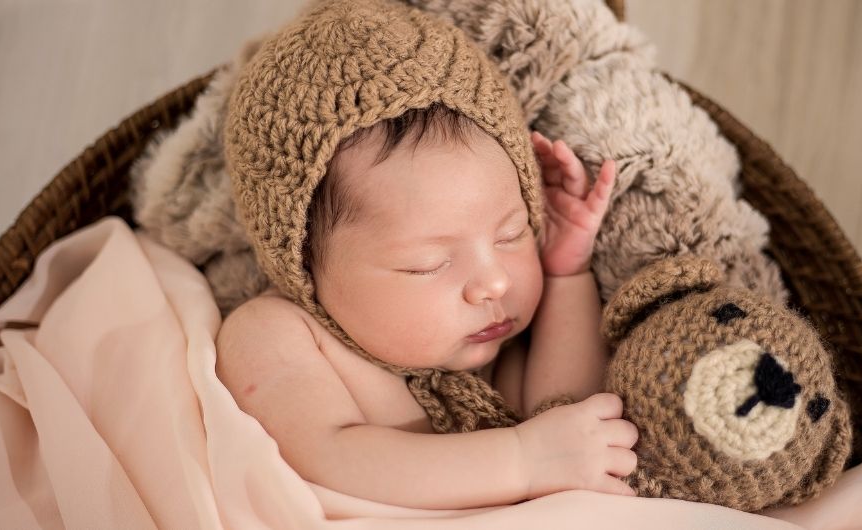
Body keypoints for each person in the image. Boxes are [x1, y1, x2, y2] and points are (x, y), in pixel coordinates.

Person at [216, 0, 638, 510]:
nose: (493, 282)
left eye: (511, 233)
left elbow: (571, 415)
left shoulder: (486, 346)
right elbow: (328, 456)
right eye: (427, 264)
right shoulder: (277, 335)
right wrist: (522, 461)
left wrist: (567, 270)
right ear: (301, 263)